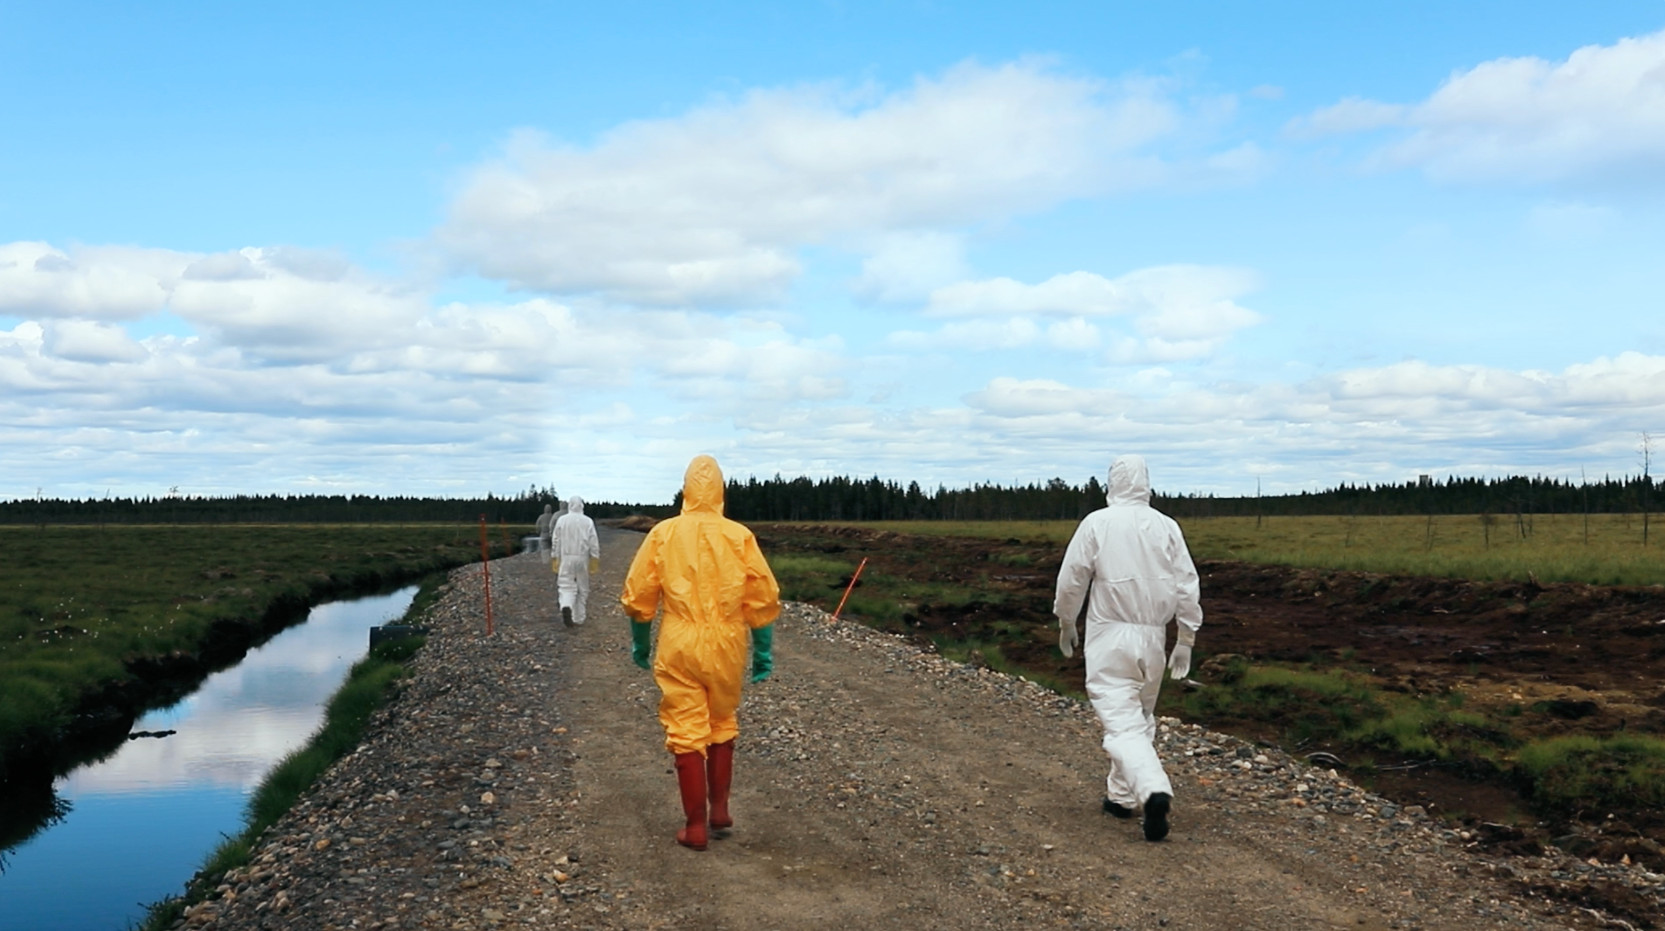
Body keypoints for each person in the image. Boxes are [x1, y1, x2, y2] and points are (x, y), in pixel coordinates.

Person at [621, 455, 780, 851]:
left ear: (687, 489)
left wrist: (641, 640)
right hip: (728, 641)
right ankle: (720, 809)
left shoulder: (663, 533)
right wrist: (762, 650)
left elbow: (640, 592)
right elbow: (762, 593)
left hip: (680, 638)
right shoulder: (739, 535)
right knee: (721, 719)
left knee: (685, 727)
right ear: (720, 491)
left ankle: (695, 827)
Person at [1053, 454, 1201, 842]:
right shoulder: (1167, 526)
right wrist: (1186, 637)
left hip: (1110, 635)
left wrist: (1067, 620)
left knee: (1121, 724)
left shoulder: (1098, 523)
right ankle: (1120, 798)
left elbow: (1072, 579)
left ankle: (1153, 789)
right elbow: (1187, 583)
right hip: (1155, 639)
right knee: (1139, 718)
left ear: (1112, 482)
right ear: (1146, 483)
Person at [553, 496, 600, 627]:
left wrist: (555, 557)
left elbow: (556, 540)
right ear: (581, 506)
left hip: (566, 558)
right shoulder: (588, 521)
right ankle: (579, 617)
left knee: (566, 585)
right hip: (582, 558)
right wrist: (595, 558)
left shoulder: (562, 520)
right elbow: (593, 541)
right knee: (582, 587)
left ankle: (566, 605)